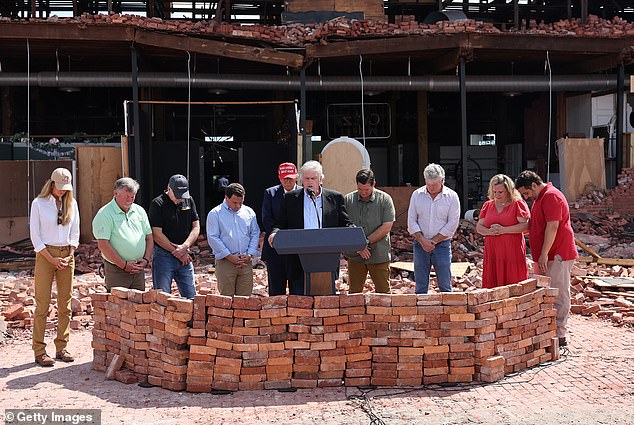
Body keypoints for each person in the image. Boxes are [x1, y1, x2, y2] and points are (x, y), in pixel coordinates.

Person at [269, 160, 352, 295]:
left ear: (320, 179)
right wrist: (275, 233)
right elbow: (279, 223)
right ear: (302, 180)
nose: (309, 182)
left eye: (313, 178)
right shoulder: (290, 198)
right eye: (306, 178)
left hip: (326, 259)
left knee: (324, 302)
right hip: (298, 260)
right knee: (300, 300)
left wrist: (352, 230)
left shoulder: (335, 198)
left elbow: (345, 222)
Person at [515, 170, 577, 347]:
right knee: (549, 292)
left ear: (534, 185)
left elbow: (553, 227)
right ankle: (552, 331)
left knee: (559, 292)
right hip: (548, 254)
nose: (526, 197)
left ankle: (560, 333)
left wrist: (543, 254)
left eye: (526, 193)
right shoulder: (539, 198)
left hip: (557, 253)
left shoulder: (551, 196)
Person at [29, 168, 80, 367]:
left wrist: (70, 254)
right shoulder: (39, 204)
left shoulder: (72, 203)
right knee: (42, 304)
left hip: (67, 254)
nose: (62, 191)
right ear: (51, 184)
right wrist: (51, 259)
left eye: (65, 188)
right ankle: (39, 351)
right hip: (45, 255)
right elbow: (35, 236)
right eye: (59, 188)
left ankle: (62, 347)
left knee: (65, 304)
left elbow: (75, 232)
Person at [407, 163, 460, 294]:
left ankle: (447, 313)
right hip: (420, 245)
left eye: (434, 185)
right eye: (428, 184)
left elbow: (452, 223)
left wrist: (434, 241)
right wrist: (422, 240)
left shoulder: (452, 197)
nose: (431, 188)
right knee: (420, 286)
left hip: (442, 245)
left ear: (442, 180)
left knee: (445, 285)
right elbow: (411, 221)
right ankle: (420, 312)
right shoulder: (417, 195)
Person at [92, 177, 153, 292]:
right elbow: (103, 245)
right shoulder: (104, 214)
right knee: (118, 307)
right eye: (127, 196)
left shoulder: (139, 211)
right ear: (115, 193)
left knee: (140, 307)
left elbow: (149, 237)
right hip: (117, 270)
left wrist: (146, 259)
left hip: (138, 269)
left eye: (133, 196)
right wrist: (124, 265)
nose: (130, 199)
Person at [148, 174, 200, 299]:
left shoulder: (188, 200)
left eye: (182, 196)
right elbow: (157, 234)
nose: (180, 199)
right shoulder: (158, 204)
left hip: (184, 255)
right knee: (163, 297)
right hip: (164, 256)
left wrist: (185, 246)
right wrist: (177, 252)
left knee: (191, 297)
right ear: (169, 188)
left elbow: (196, 226)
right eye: (177, 196)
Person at [344, 169, 395, 294]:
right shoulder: (348, 200)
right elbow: (344, 225)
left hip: (378, 255)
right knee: (354, 293)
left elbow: (387, 226)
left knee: (384, 293)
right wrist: (359, 246)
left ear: (374, 184)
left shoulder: (385, 200)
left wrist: (365, 242)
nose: (363, 193)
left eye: (366, 190)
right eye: (360, 189)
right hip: (355, 256)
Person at [476, 174, 530, 288]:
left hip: (512, 251)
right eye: (494, 192)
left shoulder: (517, 204)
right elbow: (479, 227)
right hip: (493, 251)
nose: (497, 195)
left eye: (500, 192)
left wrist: (504, 230)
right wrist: (490, 232)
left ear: (508, 190)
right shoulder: (488, 205)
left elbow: (525, 226)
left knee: (514, 283)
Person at [207, 183, 260, 296]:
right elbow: (213, 237)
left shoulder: (249, 212)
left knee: (245, 302)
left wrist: (250, 254)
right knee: (226, 301)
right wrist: (229, 256)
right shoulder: (215, 214)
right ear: (226, 197)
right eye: (235, 202)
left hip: (245, 262)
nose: (238, 206)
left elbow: (255, 233)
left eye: (241, 202)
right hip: (226, 262)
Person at [261, 162, 299, 296]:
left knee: (298, 290)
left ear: (296, 177)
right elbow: (267, 219)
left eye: (290, 178)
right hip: (275, 248)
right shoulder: (270, 193)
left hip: (297, 248)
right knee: (276, 290)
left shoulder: (304, 193)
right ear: (279, 177)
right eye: (284, 178)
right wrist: (279, 236)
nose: (287, 181)